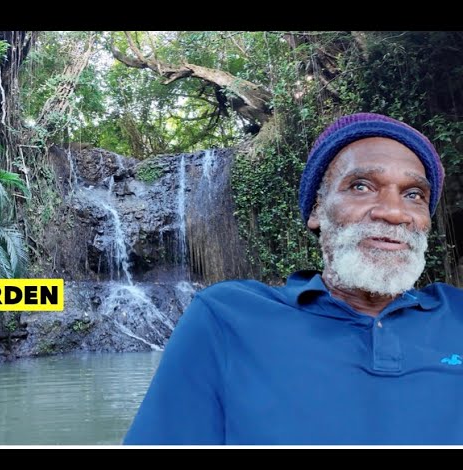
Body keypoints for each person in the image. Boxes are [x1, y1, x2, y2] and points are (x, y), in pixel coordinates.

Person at [123, 112, 463, 445]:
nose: (393, 211)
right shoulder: (225, 317)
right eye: (361, 186)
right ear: (317, 210)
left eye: (414, 194)